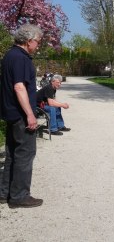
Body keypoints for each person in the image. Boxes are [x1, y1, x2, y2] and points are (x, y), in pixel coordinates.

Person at [0, 24, 44, 208]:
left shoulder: (10, 55)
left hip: (10, 112)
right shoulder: (21, 58)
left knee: (12, 154)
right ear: (29, 41)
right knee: (25, 154)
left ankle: (5, 193)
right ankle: (19, 196)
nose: (38, 45)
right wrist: (30, 115)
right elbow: (19, 87)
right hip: (20, 114)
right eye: (38, 41)